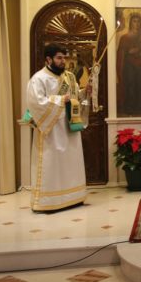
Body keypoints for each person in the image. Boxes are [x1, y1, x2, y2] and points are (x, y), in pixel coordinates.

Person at [26, 43, 90, 212]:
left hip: (69, 127)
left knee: (70, 164)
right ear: (48, 59)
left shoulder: (69, 77)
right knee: (52, 165)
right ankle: (49, 201)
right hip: (51, 131)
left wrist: (84, 92)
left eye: (64, 58)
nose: (63, 61)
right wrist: (60, 100)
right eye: (59, 58)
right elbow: (36, 103)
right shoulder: (38, 79)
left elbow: (74, 97)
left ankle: (73, 198)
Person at [116, 14, 141, 115]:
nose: (137, 24)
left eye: (138, 21)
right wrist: (129, 52)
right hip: (129, 66)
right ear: (130, 23)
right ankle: (129, 107)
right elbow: (121, 54)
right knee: (130, 85)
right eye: (134, 21)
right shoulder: (124, 38)